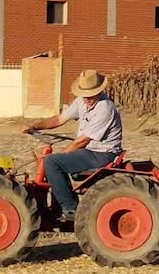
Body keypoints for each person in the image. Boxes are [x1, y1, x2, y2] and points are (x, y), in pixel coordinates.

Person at [21, 69, 123, 221]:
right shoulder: (81, 102)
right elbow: (59, 119)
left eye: (91, 94)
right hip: (89, 151)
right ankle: (55, 208)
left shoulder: (104, 107)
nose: (87, 98)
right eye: (85, 94)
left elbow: (82, 141)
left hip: (102, 153)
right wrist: (35, 126)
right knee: (54, 161)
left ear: (99, 91)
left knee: (52, 162)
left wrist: (61, 155)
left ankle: (71, 209)